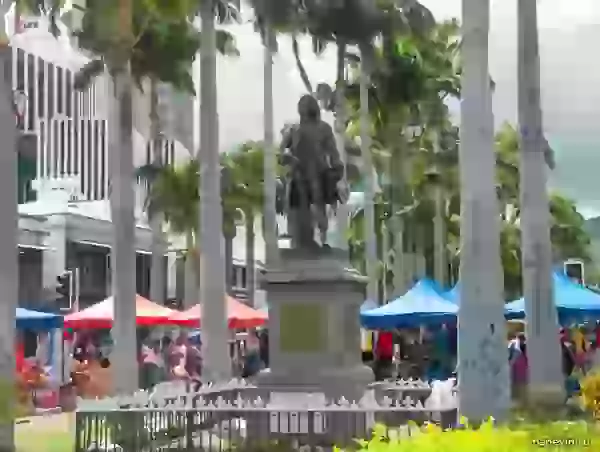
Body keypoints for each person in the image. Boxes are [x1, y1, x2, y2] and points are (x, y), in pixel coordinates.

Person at [509, 333, 528, 403]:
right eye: (520, 339)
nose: (521, 341)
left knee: (522, 383)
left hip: (522, 368)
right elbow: (510, 355)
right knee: (514, 382)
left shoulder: (525, 346)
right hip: (515, 366)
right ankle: (515, 398)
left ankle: (521, 398)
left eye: (522, 340)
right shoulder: (513, 345)